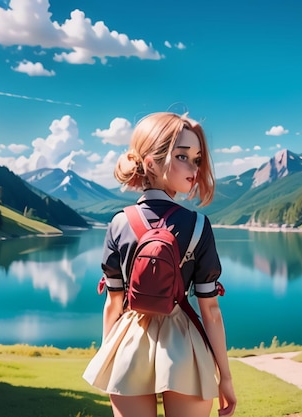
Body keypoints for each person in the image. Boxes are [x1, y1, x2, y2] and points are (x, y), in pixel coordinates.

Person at [83, 112, 237, 417]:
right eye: (182, 156)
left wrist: (108, 355)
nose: (193, 168)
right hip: (184, 346)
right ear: (150, 162)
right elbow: (211, 311)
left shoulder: (117, 223)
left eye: (197, 158)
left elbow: (114, 304)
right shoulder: (198, 225)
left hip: (129, 342)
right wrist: (226, 377)